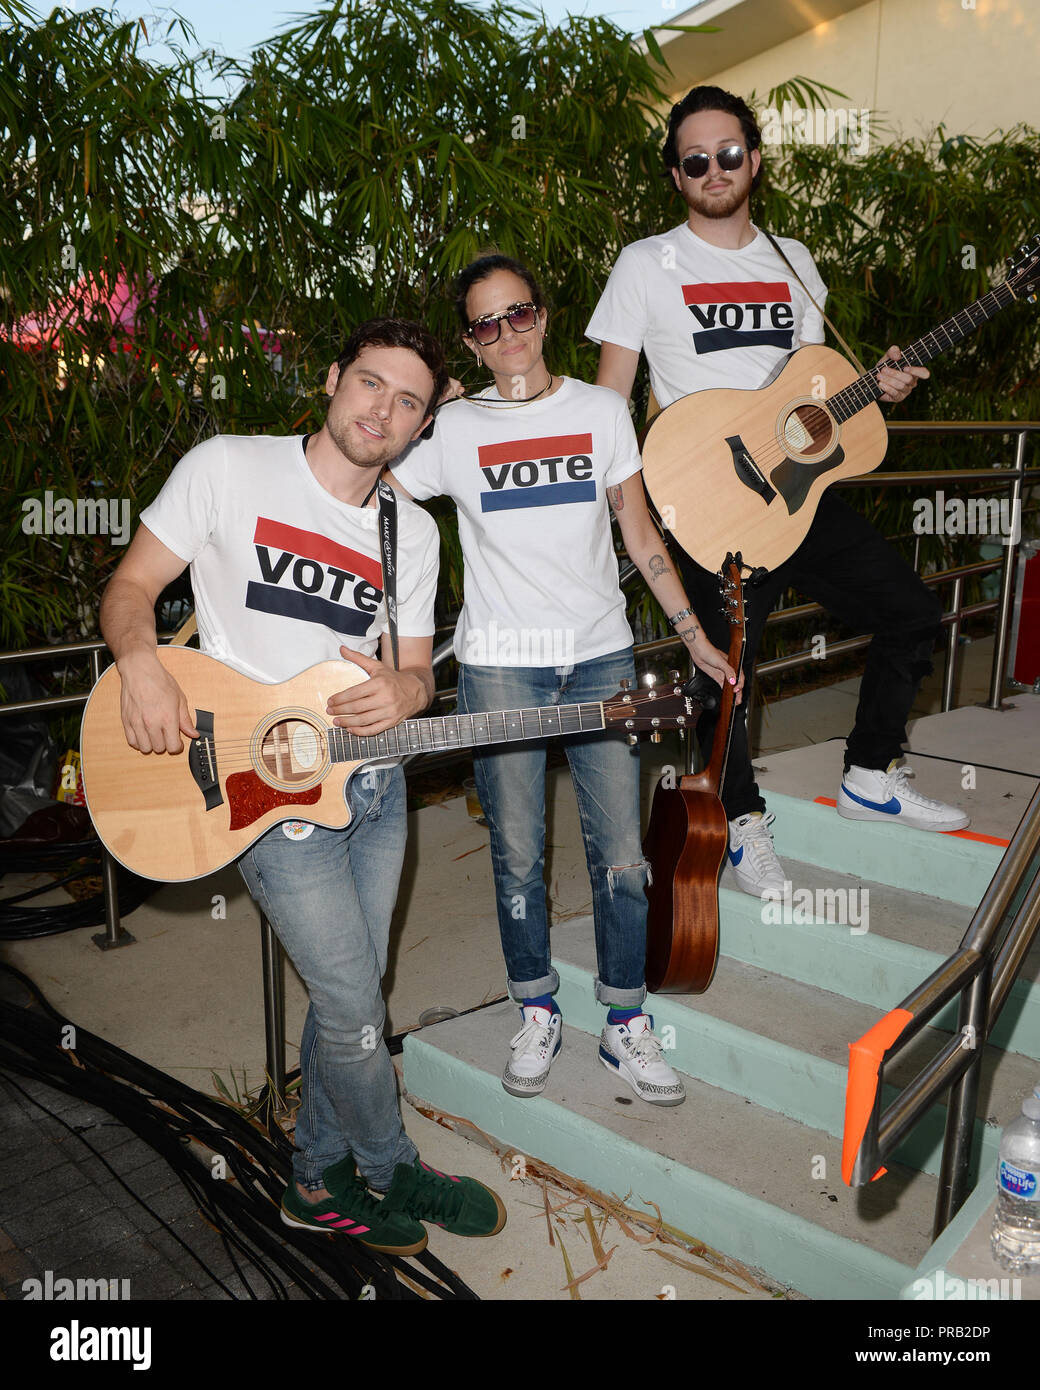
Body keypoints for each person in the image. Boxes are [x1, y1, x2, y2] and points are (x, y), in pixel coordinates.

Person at [98, 318, 506, 1256]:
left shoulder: (412, 530)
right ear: (332, 379)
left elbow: (416, 676)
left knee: (354, 990)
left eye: (408, 401)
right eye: (370, 383)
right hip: (263, 795)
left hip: (372, 788)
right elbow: (130, 588)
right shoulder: (228, 467)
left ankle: (314, 1181)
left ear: (423, 423)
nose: (383, 410)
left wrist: (409, 686)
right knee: (358, 1002)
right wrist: (142, 663)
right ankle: (388, 1160)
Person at [588, 85, 970, 899]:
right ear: (677, 176)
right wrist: (633, 511)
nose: (715, 169)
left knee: (911, 612)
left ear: (754, 161)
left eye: (729, 153)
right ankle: (739, 824)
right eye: (696, 160)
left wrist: (881, 387)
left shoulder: (794, 259)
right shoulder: (644, 264)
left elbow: (816, 389)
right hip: (706, 495)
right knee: (724, 674)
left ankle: (871, 772)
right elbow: (607, 403)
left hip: (799, 493)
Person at [389, 255, 740, 1106]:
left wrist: (692, 637)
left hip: (600, 657)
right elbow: (375, 490)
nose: (507, 334)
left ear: (543, 317)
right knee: (516, 855)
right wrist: (422, 410)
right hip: (501, 666)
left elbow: (640, 531)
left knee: (622, 855)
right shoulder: (458, 430)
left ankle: (624, 1022)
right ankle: (536, 1008)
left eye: (519, 315)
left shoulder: (600, 410)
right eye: (485, 324)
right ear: (471, 345)